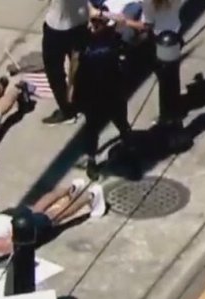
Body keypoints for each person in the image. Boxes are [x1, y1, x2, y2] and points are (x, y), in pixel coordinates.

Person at [0, 179, 106, 264]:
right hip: (6, 216)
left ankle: (91, 195)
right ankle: (71, 188)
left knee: (55, 217)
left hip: (17, 226)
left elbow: (16, 246)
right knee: (38, 208)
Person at [75, 12, 133, 179]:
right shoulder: (91, 41)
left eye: (97, 23)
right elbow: (75, 66)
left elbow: (80, 76)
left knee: (116, 125)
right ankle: (94, 161)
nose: (93, 26)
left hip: (106, 94)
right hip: (101, 95)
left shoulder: (107, 41)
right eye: (93, 22)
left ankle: (125, 150)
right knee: (100, 129)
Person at [41, 0, 91, 125]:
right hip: (81, 21)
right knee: (80, 66)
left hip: (58, 27)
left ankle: (67, 110)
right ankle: (82, 100)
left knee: (55, 72)